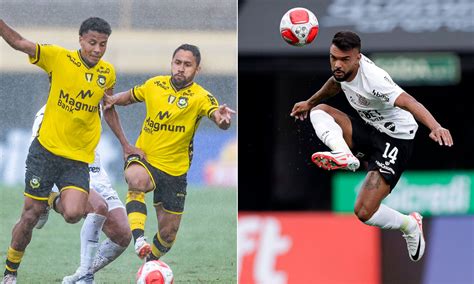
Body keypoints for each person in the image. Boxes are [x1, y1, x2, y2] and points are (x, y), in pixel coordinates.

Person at [290, 31, 453, 262]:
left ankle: (410, 225)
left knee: (364, 211)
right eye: (333, 57)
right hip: (369, 130)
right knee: (320, 111)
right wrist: (309, 102)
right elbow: (335, 84)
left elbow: (409, 101)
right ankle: (343, 155)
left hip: (396, 140)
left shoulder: (374, 80)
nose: (337, 64)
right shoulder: (342, 72)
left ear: (357, 57)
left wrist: (435, 126)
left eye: (344, 60)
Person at [0, 17, 139, 284]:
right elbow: (18, 43)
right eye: (92, 43)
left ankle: (50, 201)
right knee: (29, 216)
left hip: (77, 160)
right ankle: (10, 271)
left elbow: (107, 107)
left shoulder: (107, 73)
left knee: (74, 214)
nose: (97, 50)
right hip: (46, 152)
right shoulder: (58, 58)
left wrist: (125, 143)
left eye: (103, 44)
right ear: (80, 40)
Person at [104, 44, 236, 261]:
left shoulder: (201, 96)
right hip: (145, 158)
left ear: (197, 70)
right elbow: (128, 97)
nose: (181, 69)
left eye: (187, 65)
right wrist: (111, 99)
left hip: (175, 170)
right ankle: (139, 239)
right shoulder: (154, 84)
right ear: (171, 63)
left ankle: (150, 264)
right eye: (177, 63)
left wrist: (222, 120)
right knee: (135, 179)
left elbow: (217, 116)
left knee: (168, 235)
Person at [31, 106, 132, 283]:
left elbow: (110, 107)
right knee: (97, 207)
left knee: (123, 235)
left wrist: (125, 144)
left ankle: (80, 275)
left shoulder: (95, 99)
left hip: (95, 169)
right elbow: (38, 147)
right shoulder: (50, 110)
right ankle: (86, 276)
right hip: (66, 169)